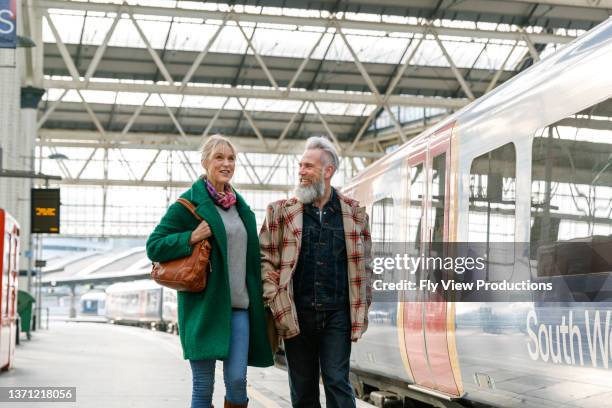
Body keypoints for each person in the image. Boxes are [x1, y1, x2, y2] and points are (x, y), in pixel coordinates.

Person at [146, 135, 273, 408]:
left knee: (237, 382)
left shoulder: (241, 208)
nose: (226, 164)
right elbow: (153, 246)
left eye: (231, 159)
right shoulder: (188, 205)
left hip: (240, 308)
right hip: (203, 309)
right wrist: (190, 237)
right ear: (205, 162)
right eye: (219, 157)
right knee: (203, 385)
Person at [259, 136, 373, 408]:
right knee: (303, 389)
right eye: (300, 166)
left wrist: (364, 301)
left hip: (337, 315)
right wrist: (275, 298)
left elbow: (365, 265)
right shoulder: (280, 213)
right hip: (296, 315)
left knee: (336, 380)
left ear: (328, 171)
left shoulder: (354, 214)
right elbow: (264, 258)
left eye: (308, 166)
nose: (301, 172)